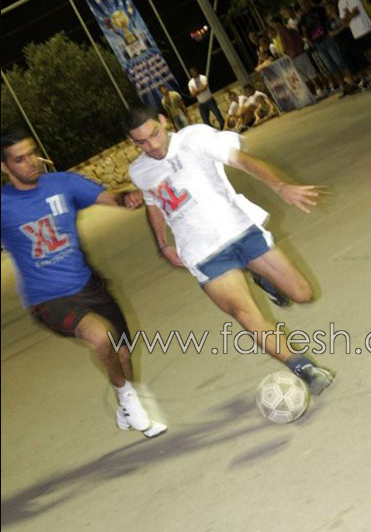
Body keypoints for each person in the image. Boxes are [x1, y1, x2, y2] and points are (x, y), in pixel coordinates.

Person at [123, 105, 335, 396]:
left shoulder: (195, 138)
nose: (153, 146)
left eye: (155, 134)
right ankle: (303, 367)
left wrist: (280, 186)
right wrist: (162, 244)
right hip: (203, 254)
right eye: (142, 142)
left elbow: (243, 161)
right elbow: (153, 204)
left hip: (240, 230)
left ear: (163, 121)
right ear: (131, 142)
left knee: (302, 293)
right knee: (244, 313)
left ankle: (260, 275)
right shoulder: (139, 171)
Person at [0, 127, 162, 437]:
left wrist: (127, 198)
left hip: (88, 285)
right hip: (48, 299)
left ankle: (125, 405)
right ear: (5, 167)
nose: (31, 162)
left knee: (122, 352)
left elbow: (109, 197)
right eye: (20, 159)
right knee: (101, 338)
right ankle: (129, 398)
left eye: (32, 153)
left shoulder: (63, 183)